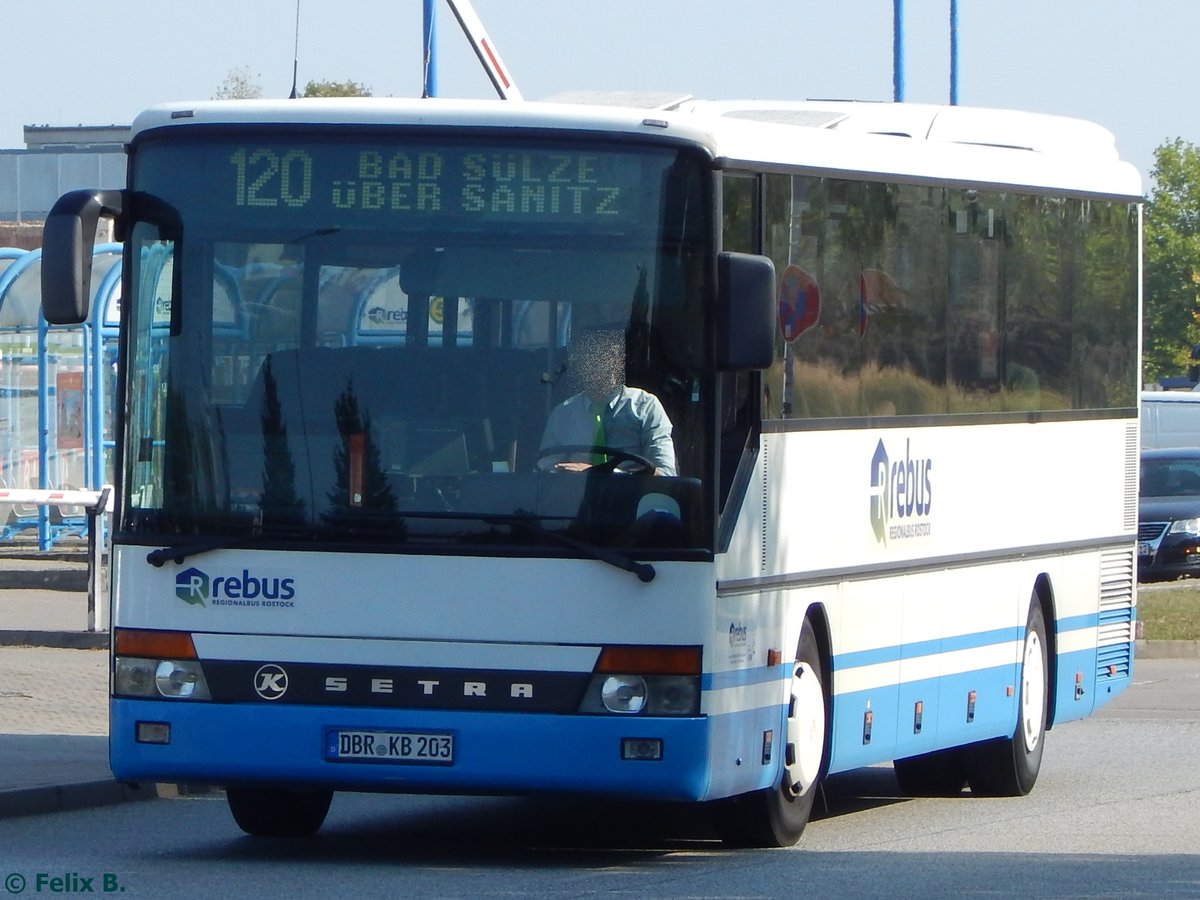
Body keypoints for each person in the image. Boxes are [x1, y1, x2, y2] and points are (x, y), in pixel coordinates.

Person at [539, 329, 676, 475]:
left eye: (611, 357)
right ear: (581, 366)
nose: (604, 365)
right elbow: (545, 472)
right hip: (576, 490)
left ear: (619, 363)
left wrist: (598, 472)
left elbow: (666, 474)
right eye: (594, 358)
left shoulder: (646, 406)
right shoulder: (563, 414)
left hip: (629, 490)